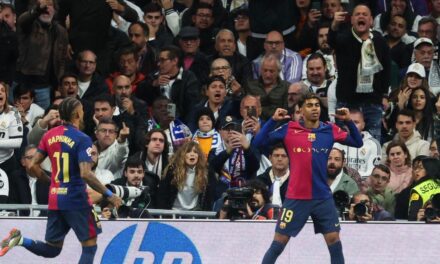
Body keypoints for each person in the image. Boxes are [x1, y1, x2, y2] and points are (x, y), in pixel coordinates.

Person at [0, 97, 122, 262]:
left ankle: (20, 239)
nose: (84, 113)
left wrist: (50, 182)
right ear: (77, 114)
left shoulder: (49, 135)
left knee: (52, 249)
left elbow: (32, 165)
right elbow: (85, 173)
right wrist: (109, 193)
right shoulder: (82, 138)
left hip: (55, 198)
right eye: (82, 111)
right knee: (90, 247)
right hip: (77, 199)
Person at [256, 92, 363, 264]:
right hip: (296, 197)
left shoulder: (329, 129)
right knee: (278, 243)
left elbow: (358, 142)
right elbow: (258, 142)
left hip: (323, 197)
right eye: (310, 105)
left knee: (334, 241)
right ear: (301, 110)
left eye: (317, 105)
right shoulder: (289, 129)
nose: (315, 109)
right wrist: (273, 121)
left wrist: (348, 121)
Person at [329, 5, 390, 142]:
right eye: (357, 14)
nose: (361, 16)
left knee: (373, 143)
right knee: (343, 143)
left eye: (364, 14)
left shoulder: (380, 41)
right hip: (347, 101)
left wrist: (385, 95)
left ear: (371, 20)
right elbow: (331, 41)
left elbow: (386, 70)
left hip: (372, 102)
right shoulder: (343, 39)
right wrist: (334, 25)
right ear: (351, 20)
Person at [156, 141, 212, 210]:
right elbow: (162, 195)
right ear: (182, 155)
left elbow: (208, 199)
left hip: (196, 214)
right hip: (174, 213)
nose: (192, 154)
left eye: (195, 152)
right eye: (188, 152)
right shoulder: (172, 171)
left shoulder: (206, 172)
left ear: (199, 156)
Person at [0, 82, 23, 203]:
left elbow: (17, 142)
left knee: (9, 200)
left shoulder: (13, 113)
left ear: (6, 94)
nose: (0, 93)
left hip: (7, 163)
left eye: (2, 90)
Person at [407, 156, 440, 221]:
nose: (416, 170)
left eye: (421, 168)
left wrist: (417, 219)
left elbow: (412, 218)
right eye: (416, 168)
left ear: (429, 169)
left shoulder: (418, 189)